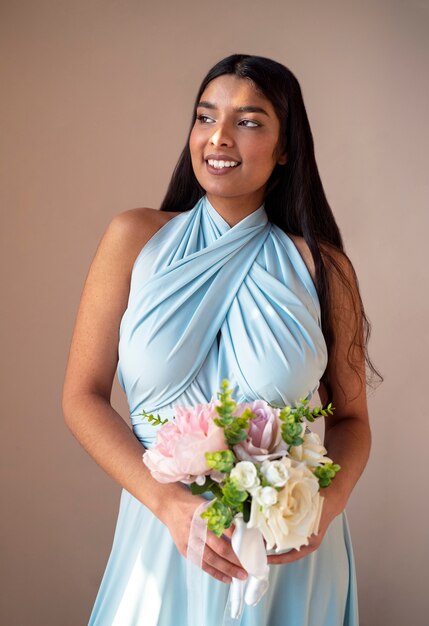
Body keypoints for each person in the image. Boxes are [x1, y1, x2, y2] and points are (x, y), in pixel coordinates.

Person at [63, 53, 376, 626]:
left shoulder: (323, 268)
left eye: (249, 121)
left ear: (286, 148)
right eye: (205, 117)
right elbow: (81, 396)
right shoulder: (133, 239)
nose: (218, 137)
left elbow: (353, 420)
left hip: (288, 555)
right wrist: (166, 504)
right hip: (163, 539)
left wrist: (325, 508)